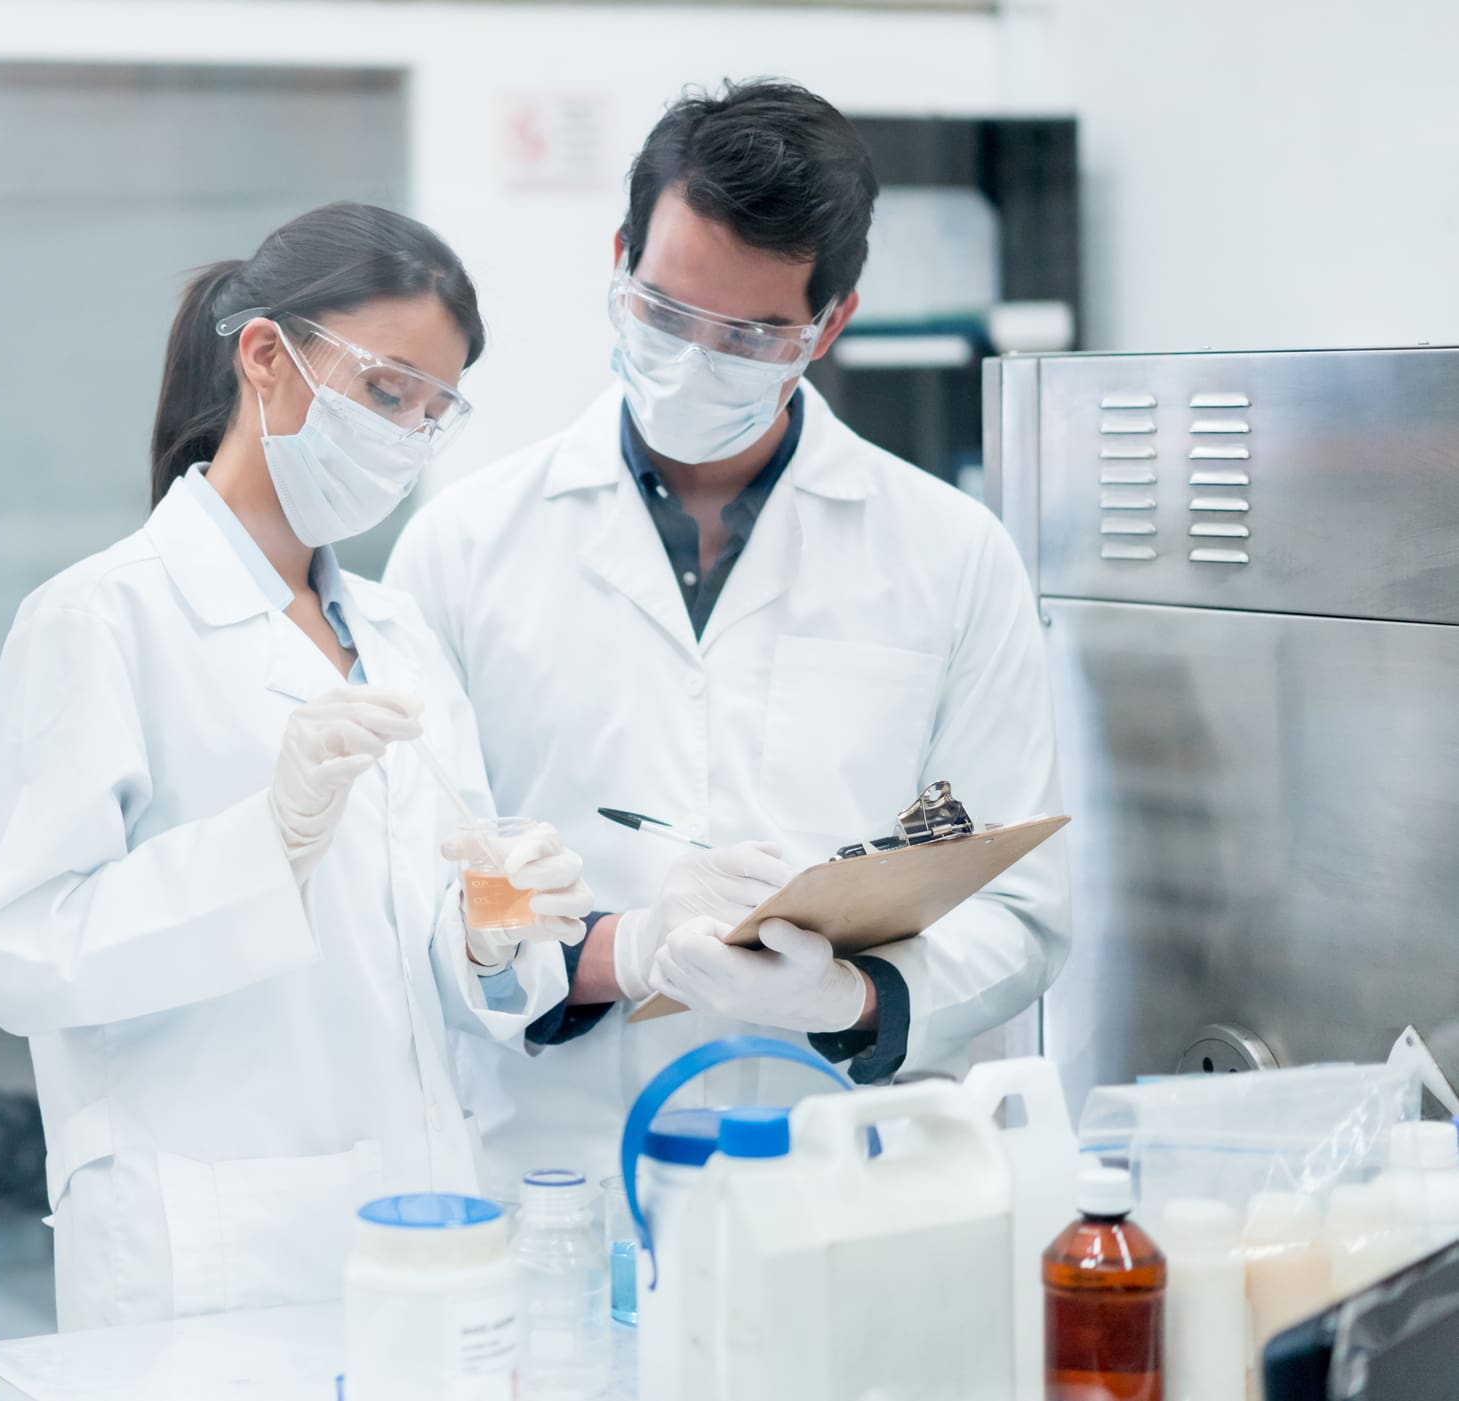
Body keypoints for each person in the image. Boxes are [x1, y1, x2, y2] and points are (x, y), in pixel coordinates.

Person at [386, 80, 1072, 1187]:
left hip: (849, 1177)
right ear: (620, 261)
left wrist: (849, 995)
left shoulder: (950, 554)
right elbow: (429, 893)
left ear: (830, 323)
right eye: (665, 312)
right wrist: (621, 950)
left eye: (750, 336)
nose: (697, 359)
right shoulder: (462, 550)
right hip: (562, 1180)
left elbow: (1022, 910)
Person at [0, 203, 599, 1331]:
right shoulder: (102, 619)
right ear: (266, 356)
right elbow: (23, 956)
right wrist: (270, 842)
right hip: (211, 1249)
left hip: (426, 1221)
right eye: (387, 392)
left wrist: (495, 930)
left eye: (432, 412)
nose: (405, 436)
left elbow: (426, 964)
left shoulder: (398, 637)